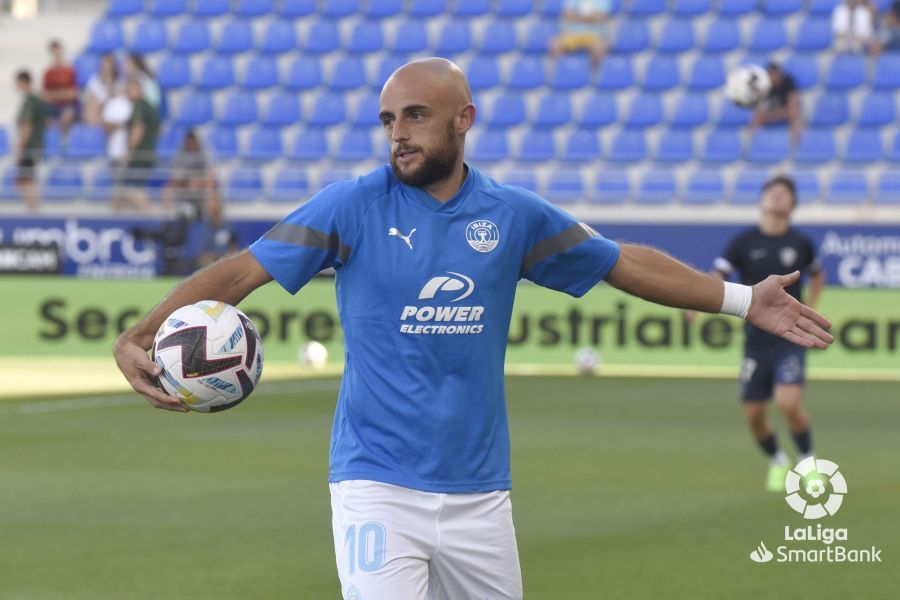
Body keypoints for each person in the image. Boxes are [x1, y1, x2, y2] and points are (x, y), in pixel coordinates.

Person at [114, 58, 833, 599]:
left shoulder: (514, 215)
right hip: (375, 484)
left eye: (417, 116)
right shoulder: (351, 206)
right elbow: (241, 272)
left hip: (480, 493)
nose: (398, 135)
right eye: (389, 120)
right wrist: (142, 333)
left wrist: (742, 301)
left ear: (465, 120)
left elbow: (621, 264)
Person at [712, 176, 825, 493]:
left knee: (788, 403)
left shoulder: (801, 242)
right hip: (755, 339)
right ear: (761, 200)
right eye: (771, 192)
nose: (776, 196)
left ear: (792, 204)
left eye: (784, 193)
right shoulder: (743, 242)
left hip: (790, 337)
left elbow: (818, 275)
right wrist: (699, 301)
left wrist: (809, 308)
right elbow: (718, 273)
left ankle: (807, 462)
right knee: (754, 413)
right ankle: (777, 461)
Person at [115, 78, 159, 212]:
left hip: (140, 156)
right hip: (147, 153)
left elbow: (138, 128)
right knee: (126, 189)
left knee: (134, 189)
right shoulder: (149, 107)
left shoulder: (139, 107)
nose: (128, 93)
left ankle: (150, 217)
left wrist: (129, 151)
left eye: (130, 89)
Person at [14, 70, 47, 212]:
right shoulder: (36, 100)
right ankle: (33, 207)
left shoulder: (29, 102)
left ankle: (34, 209)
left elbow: (27, 126)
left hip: (29, 147)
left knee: (26, 181)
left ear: (24, 83)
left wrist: (19, 148)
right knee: (25, 180)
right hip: (36, 145)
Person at [161, 130, 213, 219]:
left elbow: (209, 172)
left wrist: (197, 178)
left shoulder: (205, 152)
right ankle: (166, 216)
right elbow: (175, 171)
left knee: (207, 185)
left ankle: (206, 215)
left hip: (200, 181)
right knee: (169, 187)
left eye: (193, 140)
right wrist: (184, 177)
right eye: (189, 140)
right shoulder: (180, 151)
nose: (191, 142)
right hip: (184, 180)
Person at [750, 62, 803, 143]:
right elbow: (758, 109)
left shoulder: (788, 82)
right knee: (756, 118)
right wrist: (768, 115)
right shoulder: (763, 85)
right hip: (770, 113)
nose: (773, 77)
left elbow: (793, 106)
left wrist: (776, 114)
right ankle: (754, 144)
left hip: (784, 113)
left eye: (775, 74)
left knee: (795, 116)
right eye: (770, 74)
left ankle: (796, 145)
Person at [549, 0, 611, 68]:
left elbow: (600, 17)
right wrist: (590, 18)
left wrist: (577, 17)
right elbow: (567, 14)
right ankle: (564, 70)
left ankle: (592, 75)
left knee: (600, 47)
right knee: (555, 44)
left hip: (594, 35)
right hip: (572, 34)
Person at [42, 39, 78, 134]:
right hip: (52, 106)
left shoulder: (69, 71)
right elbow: (45, 95)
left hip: (67, 106)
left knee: (68, 114)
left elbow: (73, 94)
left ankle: (61, 139)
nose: (56, 55)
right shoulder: (48, 72)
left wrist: (54, 95)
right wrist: (62, 94)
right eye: (54, 53)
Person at [83, 53, 122, 125]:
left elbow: (116, 100)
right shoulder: (94, 80)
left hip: (110, 109)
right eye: (104, 67)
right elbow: (89, 97)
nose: (105, 69)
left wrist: (109, 85)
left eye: (108, 68)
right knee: (91, 105)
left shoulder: (117, 82)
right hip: (96, 108)